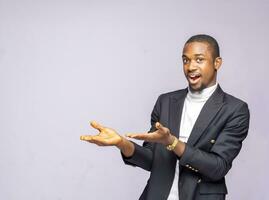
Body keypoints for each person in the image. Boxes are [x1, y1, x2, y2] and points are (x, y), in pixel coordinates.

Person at [80, 34, 250, 200]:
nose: (190, 67)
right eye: (186, 60)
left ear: (217, 63)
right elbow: (151, 161)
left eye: (199, 59)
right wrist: (121, 143)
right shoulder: (166, 102)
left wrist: (172, 142)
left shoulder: (235, 109)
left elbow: (218, 168)